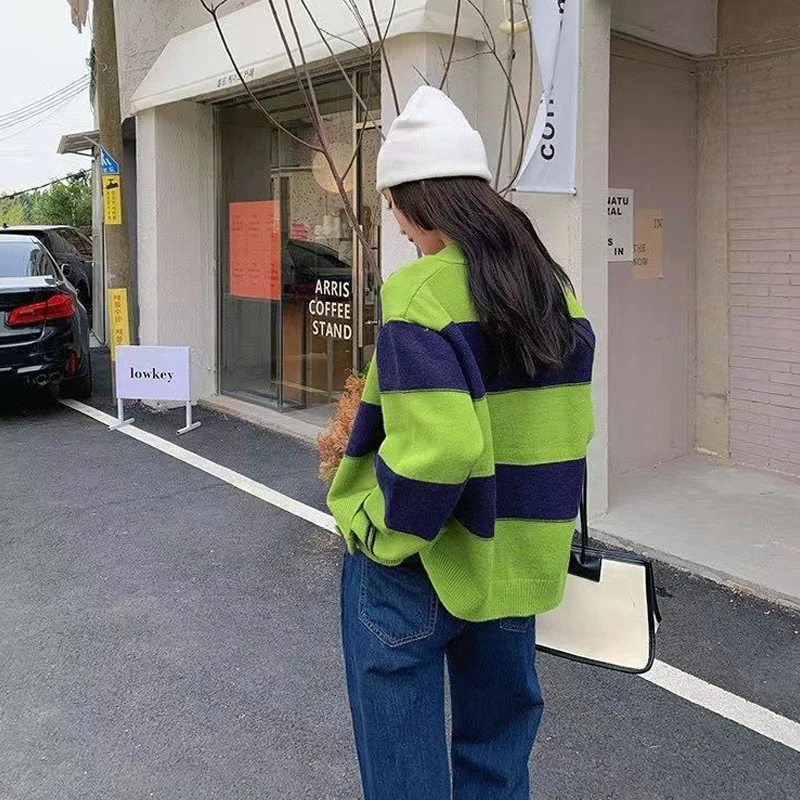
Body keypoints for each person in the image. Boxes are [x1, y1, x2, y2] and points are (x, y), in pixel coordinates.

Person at [327, 86, 595, 800]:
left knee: (405, 780)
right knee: (496, 766)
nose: (398, 226)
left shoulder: (419, 294)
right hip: (510, 566)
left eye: (393, 206)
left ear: (416, 201)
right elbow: (570, 426)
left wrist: (376, 528)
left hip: (418, 566)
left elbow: (441, 449)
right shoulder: (551, 291)